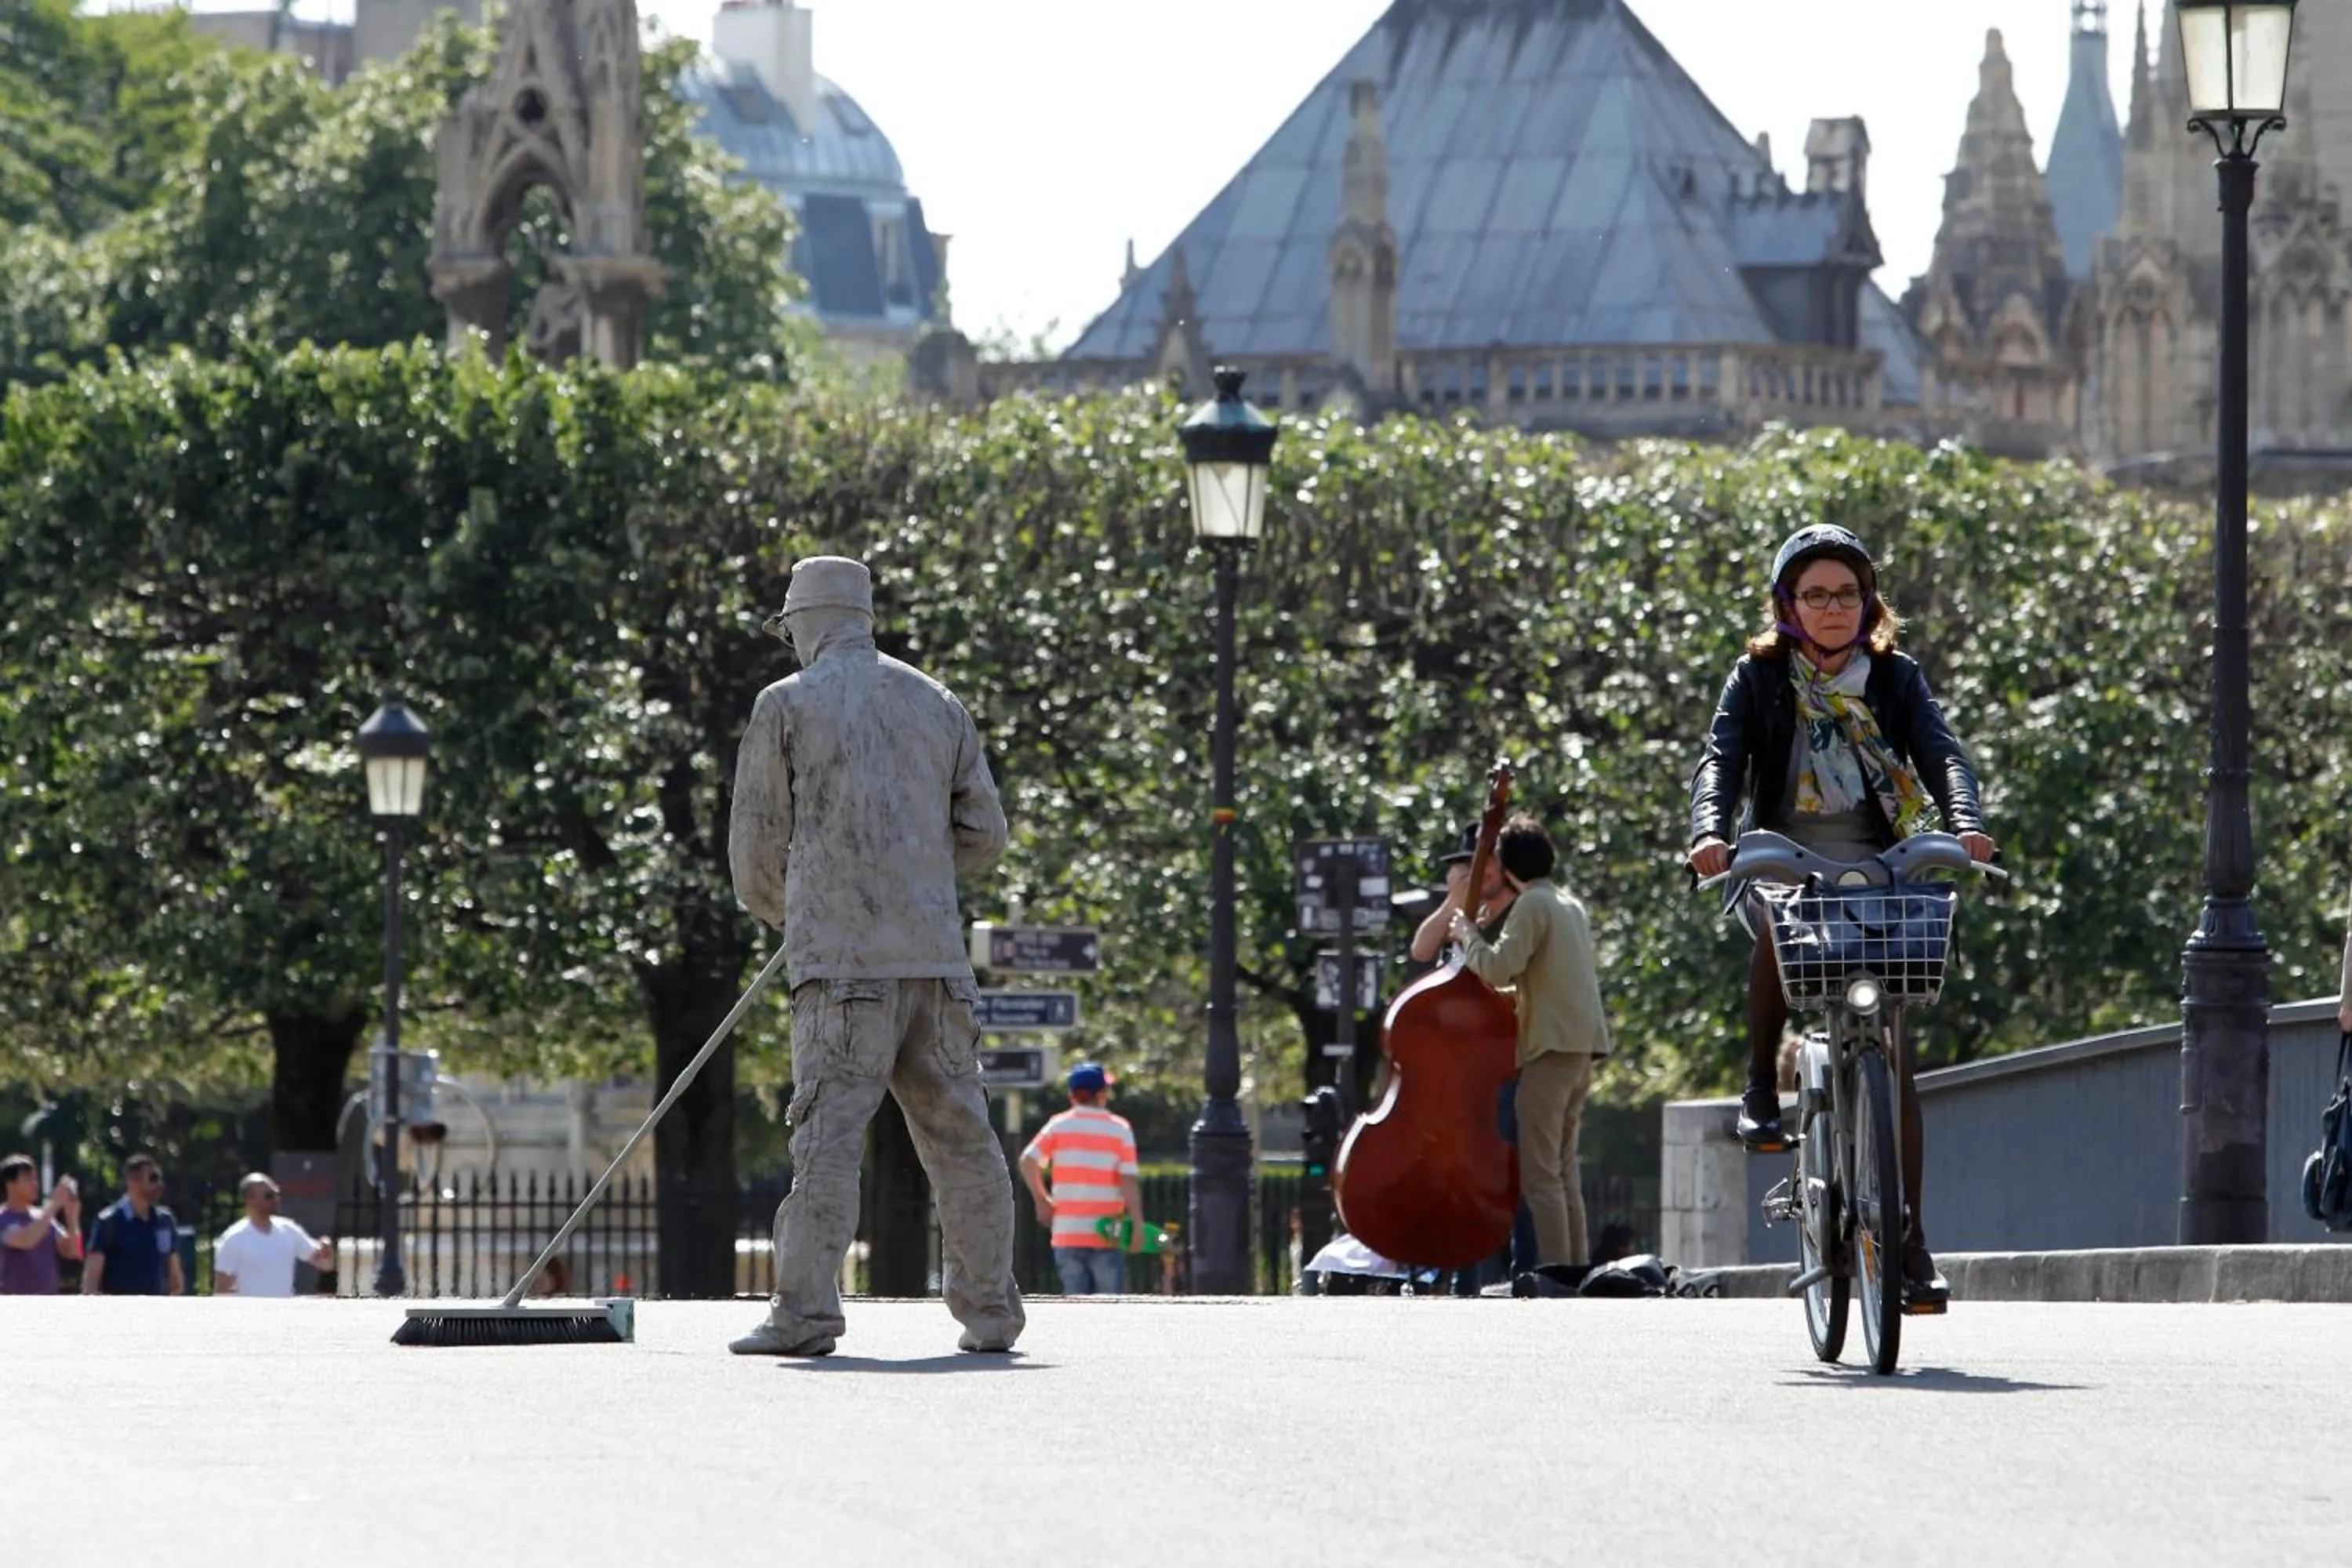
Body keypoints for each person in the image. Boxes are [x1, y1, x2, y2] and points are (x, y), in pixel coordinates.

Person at [1685, 524, 1995, 1310]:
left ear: (1869, 601)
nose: (1832, 608)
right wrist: (1709, 832)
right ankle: (1763, 1079)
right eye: (1815, 594)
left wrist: (1963, 820)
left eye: (1847, 593)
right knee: (1775, 916)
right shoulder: (1756, 678)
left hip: (1885, 861)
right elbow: (1720, 760)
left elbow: (1942, 752)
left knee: (1895, 1055)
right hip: (1781, 853)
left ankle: (1912, 1244)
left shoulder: (1895, 677)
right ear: (1788, 605)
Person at [726, 554, 1025, 1357]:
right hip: (937, 962)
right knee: (963, 1139)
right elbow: (986, 833)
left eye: (790, 629)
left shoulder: (786, 704)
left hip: (844, 971)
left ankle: (806, 1313)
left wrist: (800, 915)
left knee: (826, 1140)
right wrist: (913, 876)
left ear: (808, 622)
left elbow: (755, 849)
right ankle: (991, 1313)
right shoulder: (938, 702)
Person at [1449, 815, 1613, 1284]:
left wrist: (1467, 935)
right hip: (1581, 1050)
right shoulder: (1568, 904)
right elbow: (1536, 983)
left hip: (1548, 1053)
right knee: (1564, 1170)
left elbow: (1499, 968)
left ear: (1509, 863)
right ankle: (1579, 1270)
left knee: (1539, 1174)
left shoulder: (1531, 906)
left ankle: (1557, 1274)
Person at [1018, 1062, 1145, 1295]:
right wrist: (1137, 1223)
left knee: (1077, 1309)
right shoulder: (1120, 1130)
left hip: (1067, 1233)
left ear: (1072, 1095)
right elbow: (1127, 1180)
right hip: (1109, 1233)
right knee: (1108, 1309)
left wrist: (1042, 1199)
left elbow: (1028, 1160)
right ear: (1101, 1094)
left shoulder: (1059, 1126)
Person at [212, 1173, 333, 1297]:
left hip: (282, 1313)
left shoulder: (288, 1230)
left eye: (276, 1194)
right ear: (250, 1200)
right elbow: (222, 1291)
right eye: (269, 1196)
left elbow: (325, 1265)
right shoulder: (233, 1239)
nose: (276, 1199)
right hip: (250, 1314)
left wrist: (326, 1251)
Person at [82, 1152, 183, 1297]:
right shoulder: (110, 1221)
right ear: (132, 1181)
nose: (159, 1184)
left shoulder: (165, 1221)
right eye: (153, 1178)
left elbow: (175, 1275)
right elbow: (91, 1279)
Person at [0, 1155, 82, 1295]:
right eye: (28, 1179)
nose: (35, 1184)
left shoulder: (44, 1218)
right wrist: (54, 1203)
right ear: (10, 1184)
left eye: (35, 1178)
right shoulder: (3, 1218)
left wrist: (72, 1218)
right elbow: (26, 1240)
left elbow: (73, 1251)